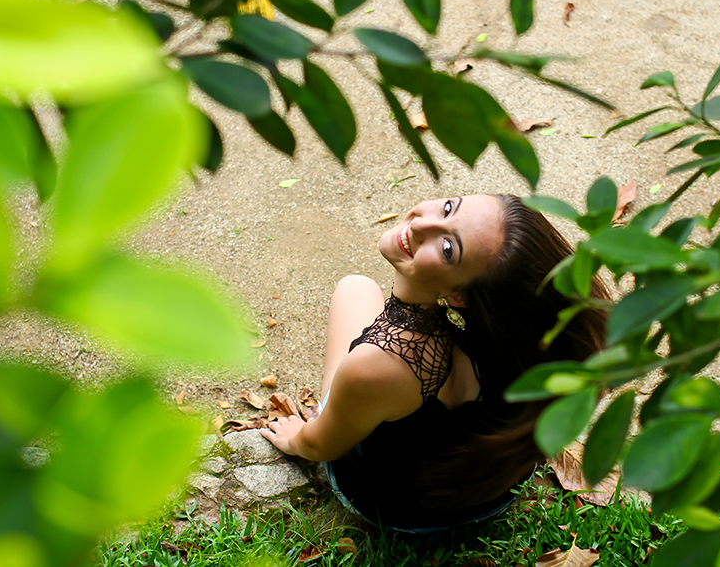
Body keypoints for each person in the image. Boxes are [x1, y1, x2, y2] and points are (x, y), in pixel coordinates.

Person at [260, 194, 609, 532]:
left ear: (459, 295)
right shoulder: (515, 341)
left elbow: (323, 446)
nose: (421, 223)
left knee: (355, 289)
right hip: (492, 494)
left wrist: (297, 438)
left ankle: (345, 411)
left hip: (400, 507)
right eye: (447, 207)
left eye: (447, 249)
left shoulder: (376, 366)